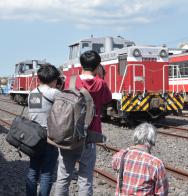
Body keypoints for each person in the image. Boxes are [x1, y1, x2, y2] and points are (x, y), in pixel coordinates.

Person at [54, 50, 112, 196]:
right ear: (98, 66)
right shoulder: (101, 84)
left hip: (69, 133)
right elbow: (107, 100)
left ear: (82, 64)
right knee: (85, 178)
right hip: (90, 135)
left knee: (64, 175)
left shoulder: (71, 80)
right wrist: (102, 76)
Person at [26, 64, 61, 196]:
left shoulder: (33, 93)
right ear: (54, 79)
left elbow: (36, 114)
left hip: (34, 137)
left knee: (33, 170)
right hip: (49, 137)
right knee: (46, 173)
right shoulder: (54, 93)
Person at [112, 123, 169, 196]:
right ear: (152, 141)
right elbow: (162, 192)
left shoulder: (119, 156)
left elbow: (114, 166)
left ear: (135, 138)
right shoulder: (155, 163)